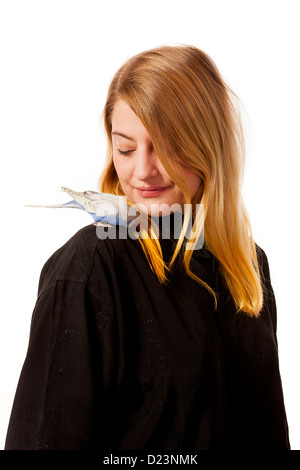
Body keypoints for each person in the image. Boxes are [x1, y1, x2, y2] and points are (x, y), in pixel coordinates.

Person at [5, 45, 290, 450]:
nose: (142, 172)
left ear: (209, 145)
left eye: (167, 146)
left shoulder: (247, 264)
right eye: (125, 148)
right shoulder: (91, 269)